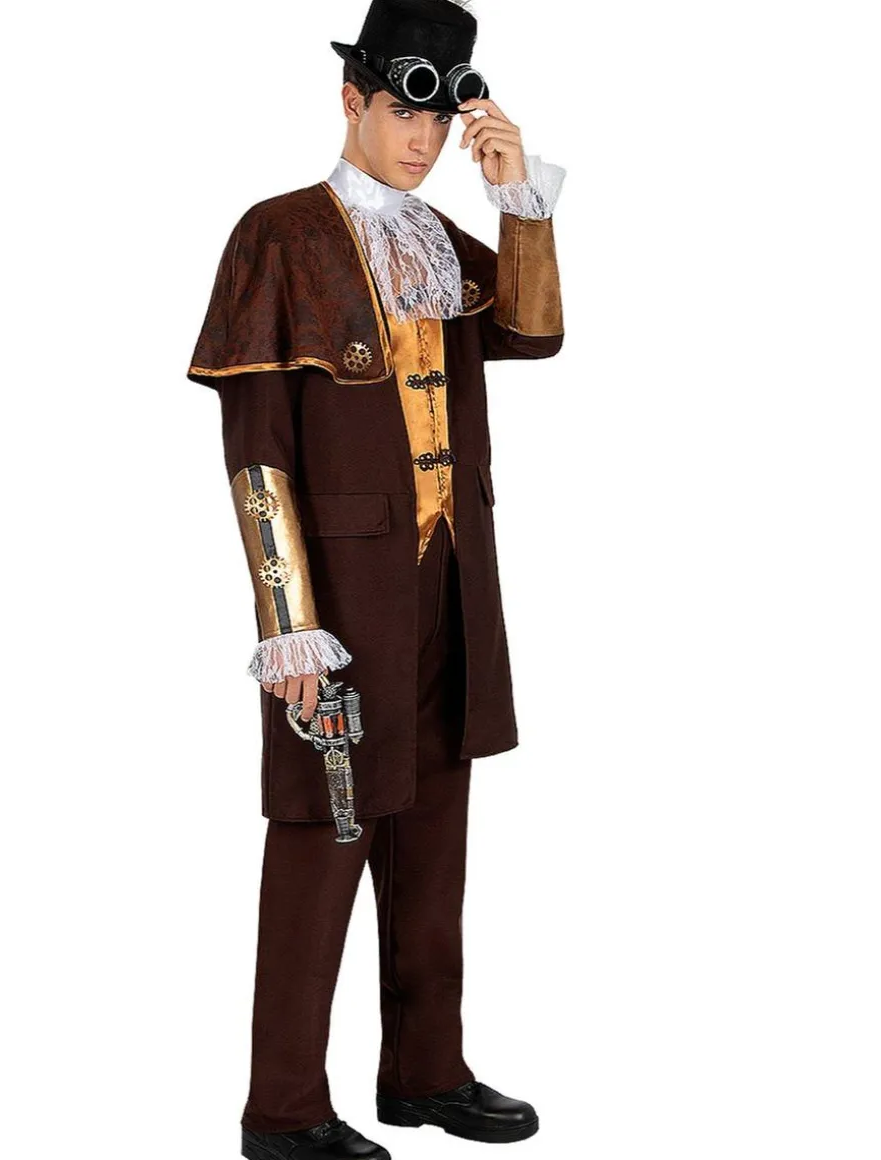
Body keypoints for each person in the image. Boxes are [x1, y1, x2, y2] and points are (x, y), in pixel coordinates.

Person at [187, 1, 565, 1155]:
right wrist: (288, 623)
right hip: (341, 605)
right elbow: (257, 452)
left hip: (448, 582)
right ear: (351, 100)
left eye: (440, 119)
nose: (423, 138)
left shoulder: (438, 238)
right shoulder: (277, 235)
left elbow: (533, 332)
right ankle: (283, 1108)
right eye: (405, 111)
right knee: (323, 836)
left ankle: (423, 1068)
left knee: (434, 834)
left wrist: (519, 201)